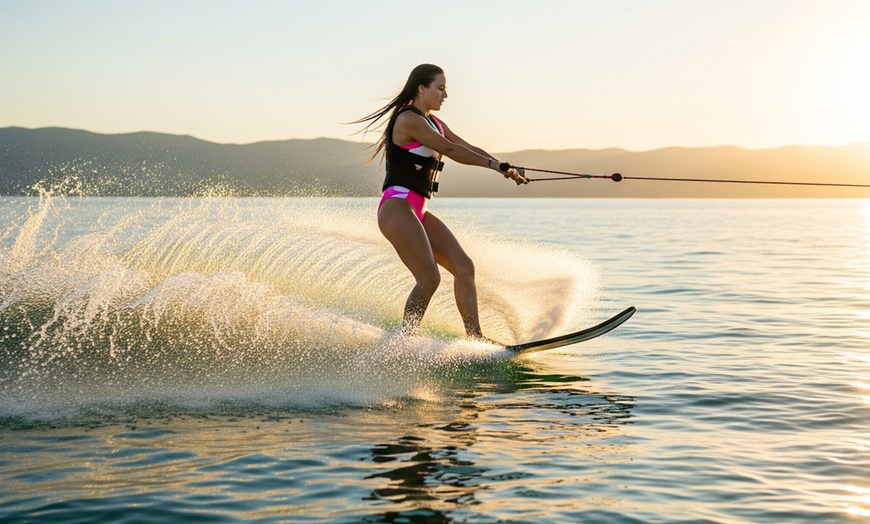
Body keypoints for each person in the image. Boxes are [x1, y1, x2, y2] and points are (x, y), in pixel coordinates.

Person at [354, 64, 528, 340]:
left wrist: (505, 167)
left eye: (446, 89)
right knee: (429, 278)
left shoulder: (434, 122)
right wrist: (494, 166)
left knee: (464, 267)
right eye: (440, 88)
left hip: (418, 211)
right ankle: (404, 343)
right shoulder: (408, 119)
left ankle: (475, 339)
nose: (445, 95)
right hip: (397, 207)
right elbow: (449, 149)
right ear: (422, 88)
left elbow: (465, 146)